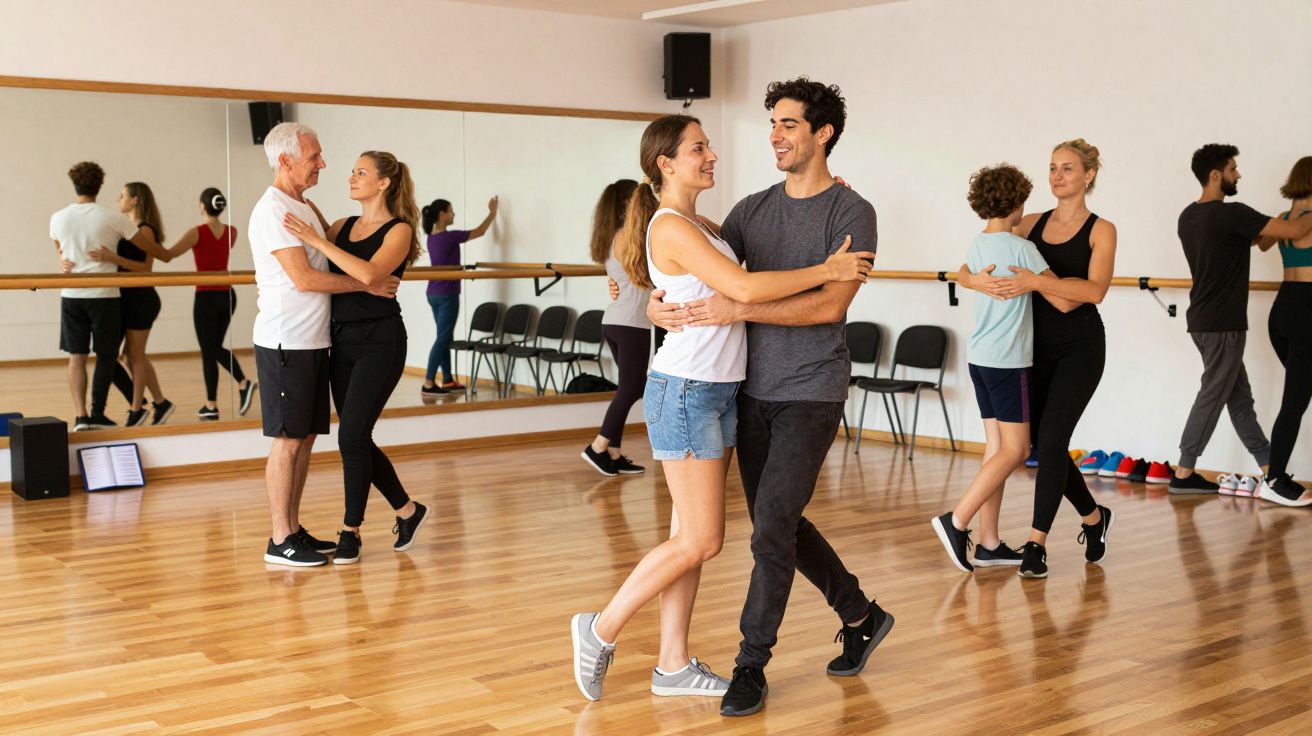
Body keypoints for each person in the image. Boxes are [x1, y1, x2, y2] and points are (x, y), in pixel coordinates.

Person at [569, 113, 873, 706]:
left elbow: (729, 276)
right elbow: (747, 290)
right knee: (703, 539)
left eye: (708, 146)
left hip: (717, 390)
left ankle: (673, 664)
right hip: (685, 390)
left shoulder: (704, 222)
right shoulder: (672, 226)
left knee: (688, 532)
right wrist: (830, 268)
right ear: (665, 162)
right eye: (698, 148)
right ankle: (600, 626)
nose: (711, 156)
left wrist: (832, 199)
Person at [646, 79, 889, 717]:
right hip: (749, 391)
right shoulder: (751, 211)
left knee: (771, 528)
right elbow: (703, 266)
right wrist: (657, 305)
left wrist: (739, 303)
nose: (775, 136)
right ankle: (859, 613)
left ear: (822, 132)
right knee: (775, 524)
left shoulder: (851, 212)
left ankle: (750, 666)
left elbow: (831, 304)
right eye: (773, 125)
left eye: (787, 124)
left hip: (812, 388)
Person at [959, 139, 1116, 579]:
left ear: (1088, 175)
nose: (1056, 176)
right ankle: (1093, 517)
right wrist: (976, 283)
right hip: (1031, 351)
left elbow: (1092, 292)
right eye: (1052, 168)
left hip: (1081, 348)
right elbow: (970, 266)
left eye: (1067, 168)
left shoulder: (1103, 230)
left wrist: (1033, 283)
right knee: (1043, 445)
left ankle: (1035, 544)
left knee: (1048, 445)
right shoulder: (1028, 224)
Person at [249, 122, 399, 567]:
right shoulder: (273, 210)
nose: (323, 164)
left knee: (306, 437)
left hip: (312, 341)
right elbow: (304, 278)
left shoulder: (305, 206)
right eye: (314, 157)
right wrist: (365, 286)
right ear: (286, 161)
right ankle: (279, 540)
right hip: (285, 341)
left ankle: (293, 529)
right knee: (287, 441)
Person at [282, 150, 430, 564]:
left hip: (380, 343)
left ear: (383, 183)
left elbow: (369, 275)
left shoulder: (399, 230)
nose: (351, 177)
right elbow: (338, 268)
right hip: (340, 341)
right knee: (357, 437)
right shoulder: (341, 226)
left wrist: (318, 241)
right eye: (351, 171)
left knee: (350, 437)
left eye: (360, 172)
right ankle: (407, 510)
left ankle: (351, 530)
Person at [932, 164, 1072, 573]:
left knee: (996, 449)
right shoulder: (1022, 248)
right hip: (1009, 363)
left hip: (980, 359)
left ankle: (990, 543)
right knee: (1017, 449)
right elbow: (1060, 297)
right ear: (1017, 204)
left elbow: (964, 273)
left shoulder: (978, 244)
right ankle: (957, 521)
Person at [1167, 144, 1312, 497]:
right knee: (1215, 393)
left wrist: (1291, 214)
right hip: (1223, 324)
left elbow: (1264, 241)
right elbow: (1287, 234)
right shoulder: (1231, 214)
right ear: (1216, 175)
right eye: (1233, 168)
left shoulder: (1188, 216)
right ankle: (1184, 473)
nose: (1238, 174)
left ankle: (1269, 468)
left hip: (1202, 319)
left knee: (1239, 398)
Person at [50, 161, 155, 431]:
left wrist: (62, 258)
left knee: (77, 355)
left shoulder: (58, 217)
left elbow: (59, 249)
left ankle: (81, 416)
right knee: (106, 355)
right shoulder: (112, 217)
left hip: (71, 295)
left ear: (75, 185)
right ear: (99, 186)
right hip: (104, 296)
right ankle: (97, 413)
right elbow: (147, 248)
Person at [154, 188, 257, 421]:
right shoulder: (232, 232)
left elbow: (168, 255)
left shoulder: (196, 232)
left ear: (202, 206)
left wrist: (148, 243)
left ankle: (242, 383)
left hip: (207, 298)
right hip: (228, 296)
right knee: (212, 348)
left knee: (209, 350)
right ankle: (213, 404)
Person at [88, 182, 174, 427]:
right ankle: (160, 402)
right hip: (126, 298)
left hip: (141, 299)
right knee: (127, 356)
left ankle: (137, 409)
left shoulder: (146, 230)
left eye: (122, 195)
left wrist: (112, 257)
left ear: (135, 200)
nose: (118, 200)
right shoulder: (128, 228)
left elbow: (145, 269)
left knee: (134, 356)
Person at [581, 178, 650, 477]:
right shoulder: (628, 237)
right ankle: (598, 446)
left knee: (630, 387)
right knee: (633, 387)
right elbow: (648, 277)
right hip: (631, 323)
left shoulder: (612, 238)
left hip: (617, 321)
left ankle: (614, 452)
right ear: (627, 203)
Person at [1258, 156, 1312, 506]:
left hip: (1283, 310)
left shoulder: (1283, 221)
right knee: (1295, 401)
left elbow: (1260, 243)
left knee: (1298, 395)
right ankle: (1274, 478)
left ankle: (1276, 473)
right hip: (1307, 310)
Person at [420, 195, 498, 395]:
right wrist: (492, 213)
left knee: (443, 337)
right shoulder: (449, 237)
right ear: (442, 214)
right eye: (451, 210)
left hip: (434, 293)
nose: (453, 213)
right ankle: (428, 382)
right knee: (443, 338)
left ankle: (447, 380)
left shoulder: (432, 238)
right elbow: (479, 232)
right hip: (447, 294)